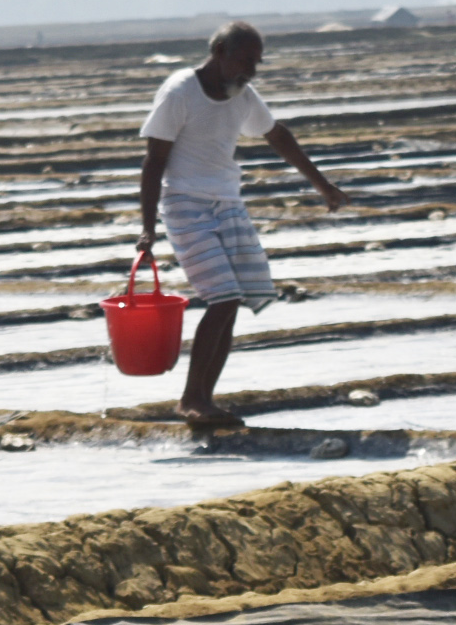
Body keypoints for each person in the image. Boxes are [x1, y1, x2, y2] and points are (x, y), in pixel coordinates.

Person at [135, 21, 346, 427]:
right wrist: (147, 228)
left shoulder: (243, 95)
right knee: (223, 297)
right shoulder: (180, 92)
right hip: (185, 205)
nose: (251, 70)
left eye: (256, 63)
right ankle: (191, 399)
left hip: (228, 203)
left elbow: (277, 136)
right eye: (245, 60)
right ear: (218, 52)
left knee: (234, 300)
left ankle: (203, 398)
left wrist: (323, 186)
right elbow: (153, 161)